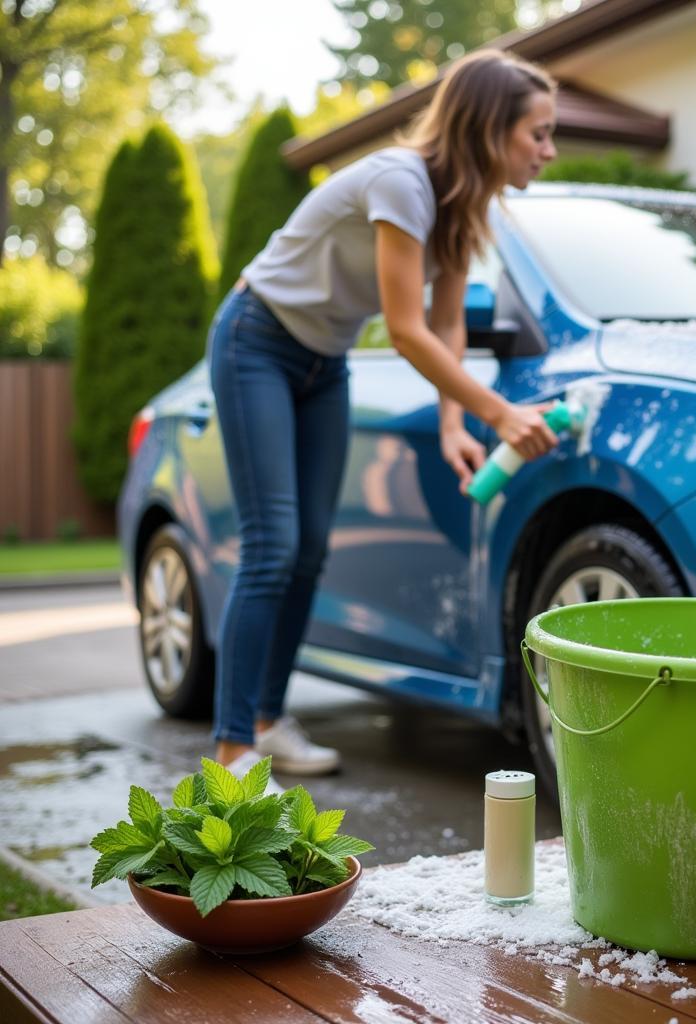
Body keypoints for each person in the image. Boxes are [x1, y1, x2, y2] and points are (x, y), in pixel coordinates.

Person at [207, 49, 560, 786]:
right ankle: (234, 750)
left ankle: (270, 724)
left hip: (320, 362)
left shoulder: (465, 206)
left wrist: (454, 424)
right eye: (538, 134)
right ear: (491, 129)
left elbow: (445, 325)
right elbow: (404, 331)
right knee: (272, 545)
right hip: (257, 341)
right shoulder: (402, 182)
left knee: (309, 551)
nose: (548, 151)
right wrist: (499, 414)